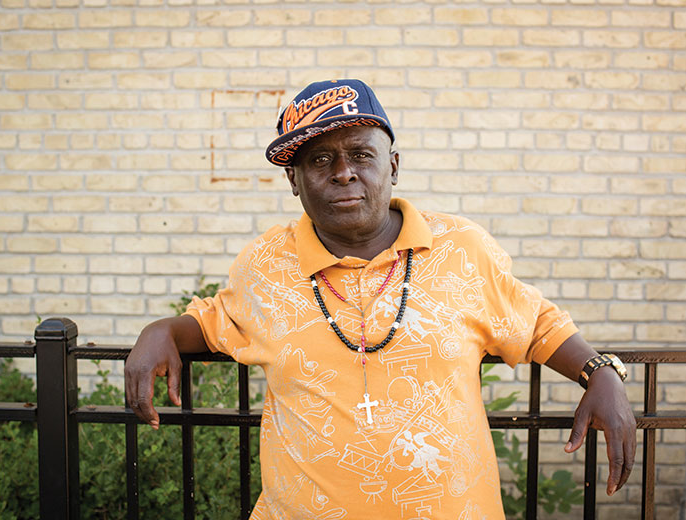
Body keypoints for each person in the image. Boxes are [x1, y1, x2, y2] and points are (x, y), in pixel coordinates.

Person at [125, 79, 636, 519]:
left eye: (361, 155)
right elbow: (216, 320)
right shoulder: (265, 265)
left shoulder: (462, 248)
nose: (343, 172)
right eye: (319, 160)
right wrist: (162, 331)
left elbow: (536, 323)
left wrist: (601, 373)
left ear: (393, 165)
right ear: (293, 181)